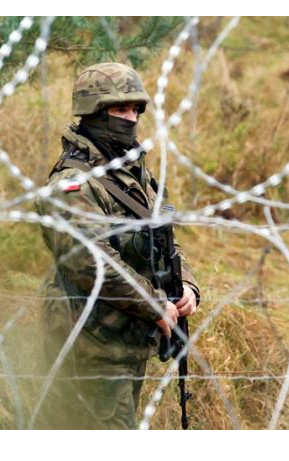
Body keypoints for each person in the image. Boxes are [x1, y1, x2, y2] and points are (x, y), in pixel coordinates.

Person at [34, 62, 200, 429]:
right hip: (91, 347)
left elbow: (164, 238)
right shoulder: (72, 185)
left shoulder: (132, 170)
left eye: (136, 109)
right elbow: (91, 262)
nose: (131, 118)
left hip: (128, 339)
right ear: (94, 112)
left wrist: (187, 286)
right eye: (120, 109)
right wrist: (153, 303)